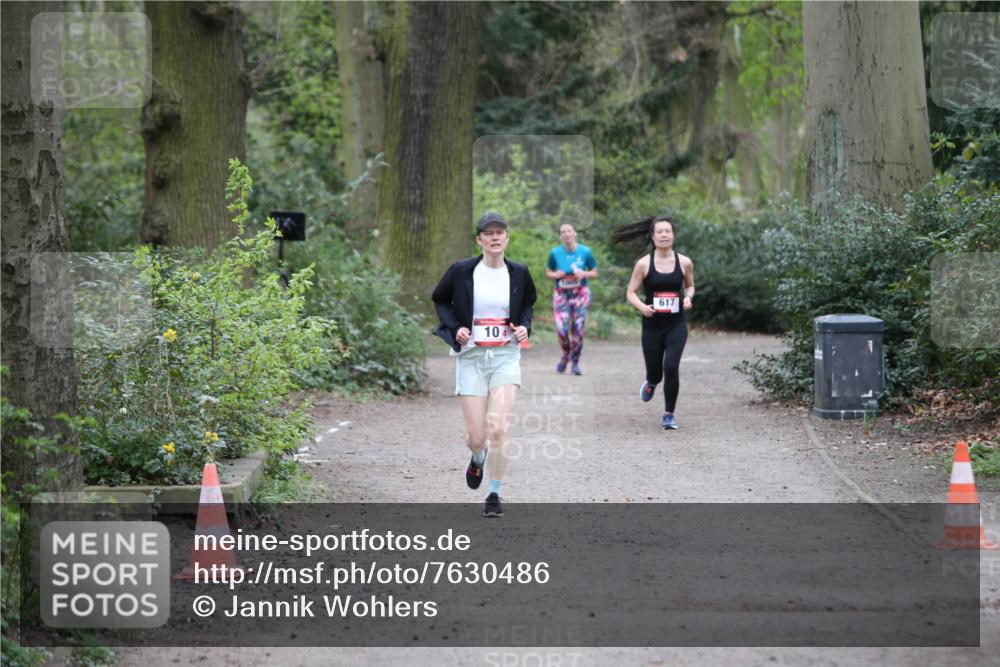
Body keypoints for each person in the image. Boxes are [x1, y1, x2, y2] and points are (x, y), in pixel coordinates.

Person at [431, 212, 537, 517]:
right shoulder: (462, 271)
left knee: (498, 428)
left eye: (499, 232)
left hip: (505, 357)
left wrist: (524, 327)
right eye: (488, 233)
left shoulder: (519, 273)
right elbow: (440, 300)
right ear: (479, 239)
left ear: (507, 238)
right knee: (478, 437)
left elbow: (528, 303)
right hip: (472, 358)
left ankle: (494, 493)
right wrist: (455, 329)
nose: (494, 237)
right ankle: (477, 458)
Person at [611, 215, 695, 430]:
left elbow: (690, 286)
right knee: (656, 372)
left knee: (672, 366)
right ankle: (651, 381)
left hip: (676, 324)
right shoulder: (643, 264)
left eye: (668, 231)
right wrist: (642, 307)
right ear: (653, 236)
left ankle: (669, 414)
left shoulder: (684, 262)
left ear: (673, 235)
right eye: (660, 232)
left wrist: (688, 298)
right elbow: (630, 292)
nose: (664, 235)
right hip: (652, 326)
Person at [545, 222, 598, 375]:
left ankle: (575, 361)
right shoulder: (555, 253)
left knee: (578, 329)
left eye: (569, 231)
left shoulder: (585, 251)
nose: (566, 234)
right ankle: (565, 355)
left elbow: (594, 271)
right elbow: (549, 271)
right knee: (562, 328)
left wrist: (584, 274)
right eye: (563, 232)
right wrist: (556, 275)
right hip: (561, 294)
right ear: (560, 236)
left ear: (575, 233)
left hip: (580, 293)